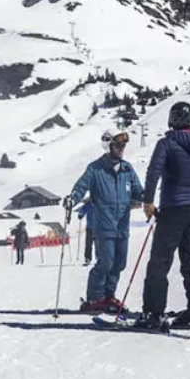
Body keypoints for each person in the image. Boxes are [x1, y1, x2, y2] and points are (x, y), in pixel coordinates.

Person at [138, 101, 190, 330]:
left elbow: (153, 172)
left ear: (171, 120)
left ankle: (154, 314)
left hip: (172, 208)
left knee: (159, 262)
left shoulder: (166, 143)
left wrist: (148, 201)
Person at [65, 130, 144, 312]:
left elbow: (137, 190)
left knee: (119, 263)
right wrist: (72, 199)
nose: (121, 149)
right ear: (108, 145)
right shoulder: (95, 168)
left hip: (122, 226)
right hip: (104, 225)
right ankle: (94, 298)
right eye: (118, 145)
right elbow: (81, 187)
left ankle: (109, 297)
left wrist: (147, 196)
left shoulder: (127, 169)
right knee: (105, 262)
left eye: (123, 145)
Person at [77, 201, 95, 265]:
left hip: (99, 228)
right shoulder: (89, 204)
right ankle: (87, 258)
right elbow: (83, 209)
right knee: (88, 244)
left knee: (99, 245)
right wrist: (80, 214)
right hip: (90, 227)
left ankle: (100, 258)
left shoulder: (100, 203)